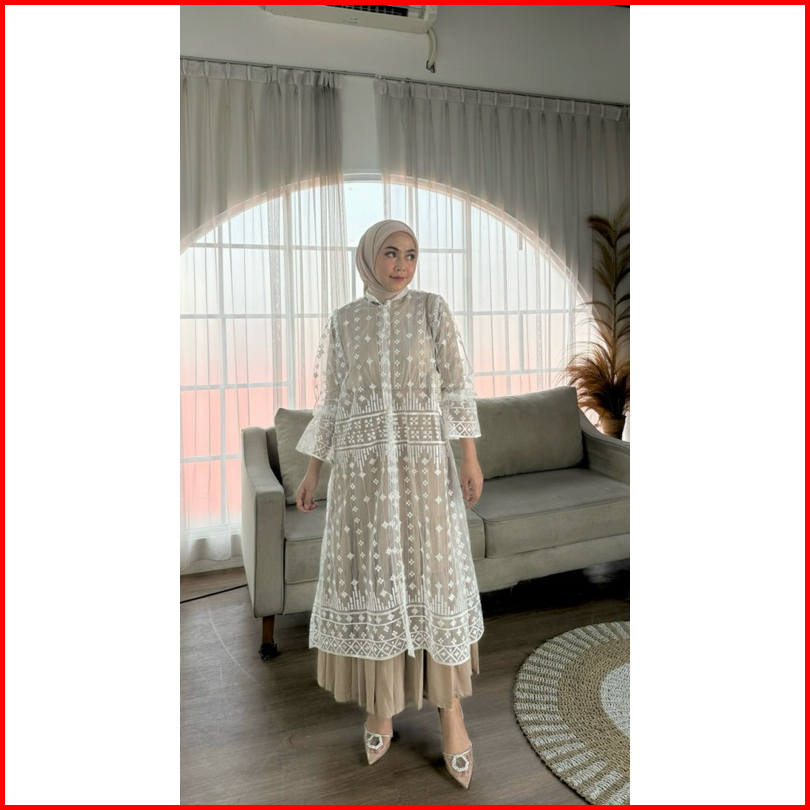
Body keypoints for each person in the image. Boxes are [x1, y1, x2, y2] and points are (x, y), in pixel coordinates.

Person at [294, 220, 484, 789]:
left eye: (411, 254)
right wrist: (312, 472)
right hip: (363, 476)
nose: (402, 265)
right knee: (375, 585)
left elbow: (456, 386)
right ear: (368, 258)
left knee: (432, 581)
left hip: (424, 471)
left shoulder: (431, 309)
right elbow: (333, 403)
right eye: (391, 253)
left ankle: (451, 713)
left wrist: (469, 457)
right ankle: (381, 706)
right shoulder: (343, 321)